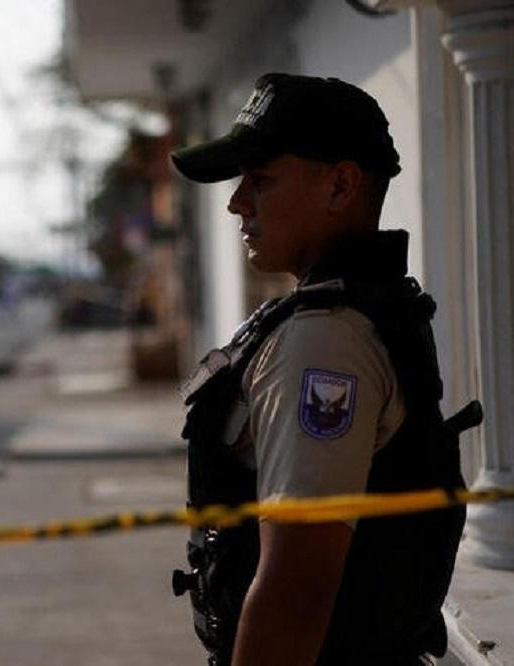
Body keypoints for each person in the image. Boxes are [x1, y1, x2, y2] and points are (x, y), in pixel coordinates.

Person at [169, 73, 479, 665]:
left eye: (259, 180)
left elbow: (296, 592)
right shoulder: (343, 314)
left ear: (340, 186)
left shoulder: (322, 341)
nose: (237, 202)